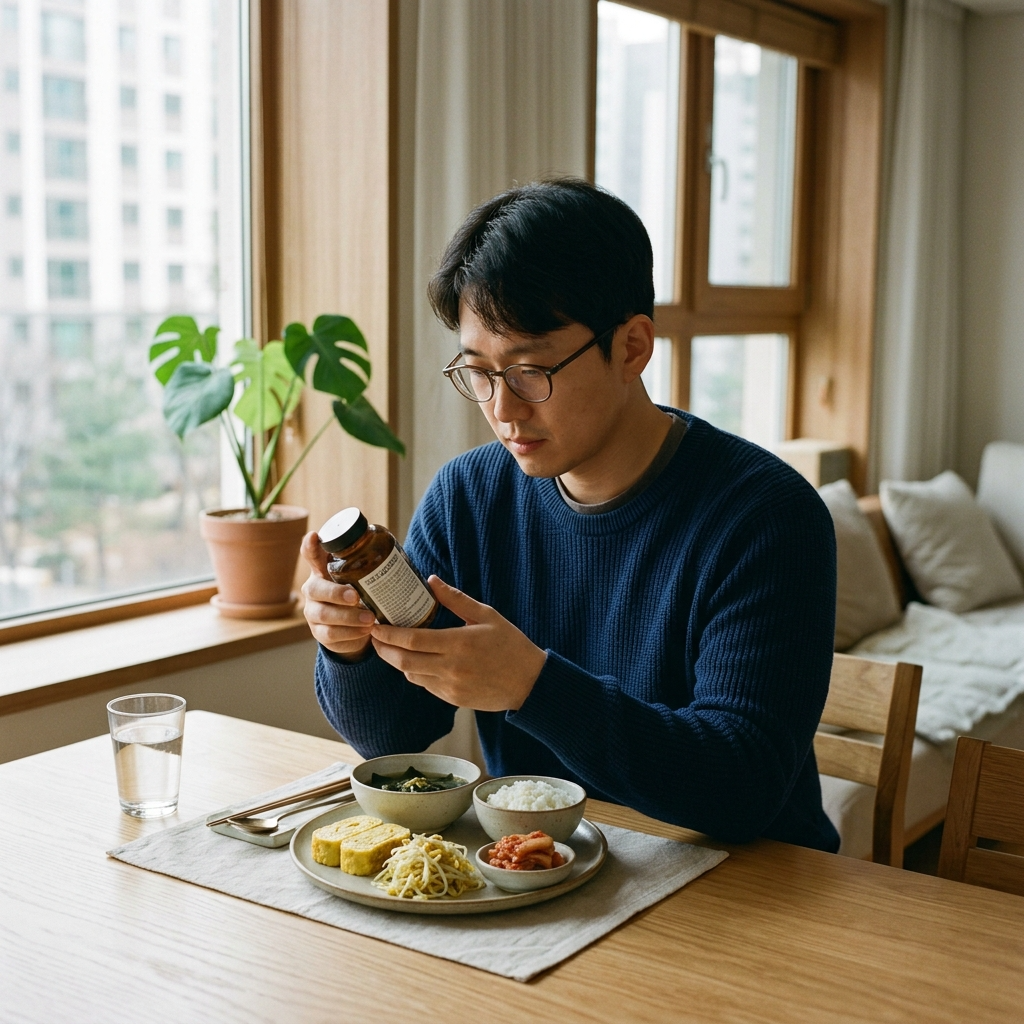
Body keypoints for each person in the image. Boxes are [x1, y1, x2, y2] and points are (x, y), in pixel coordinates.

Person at [301, 177, 840, 852]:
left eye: (531, 370)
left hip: (754, 892)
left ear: (632, 347)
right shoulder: (469, 498)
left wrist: (534, 686)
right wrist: (347, 648)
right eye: (479, 372)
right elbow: (395, 736)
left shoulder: (766, 517)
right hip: (545, 877)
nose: (503, 408)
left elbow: (742, 786)